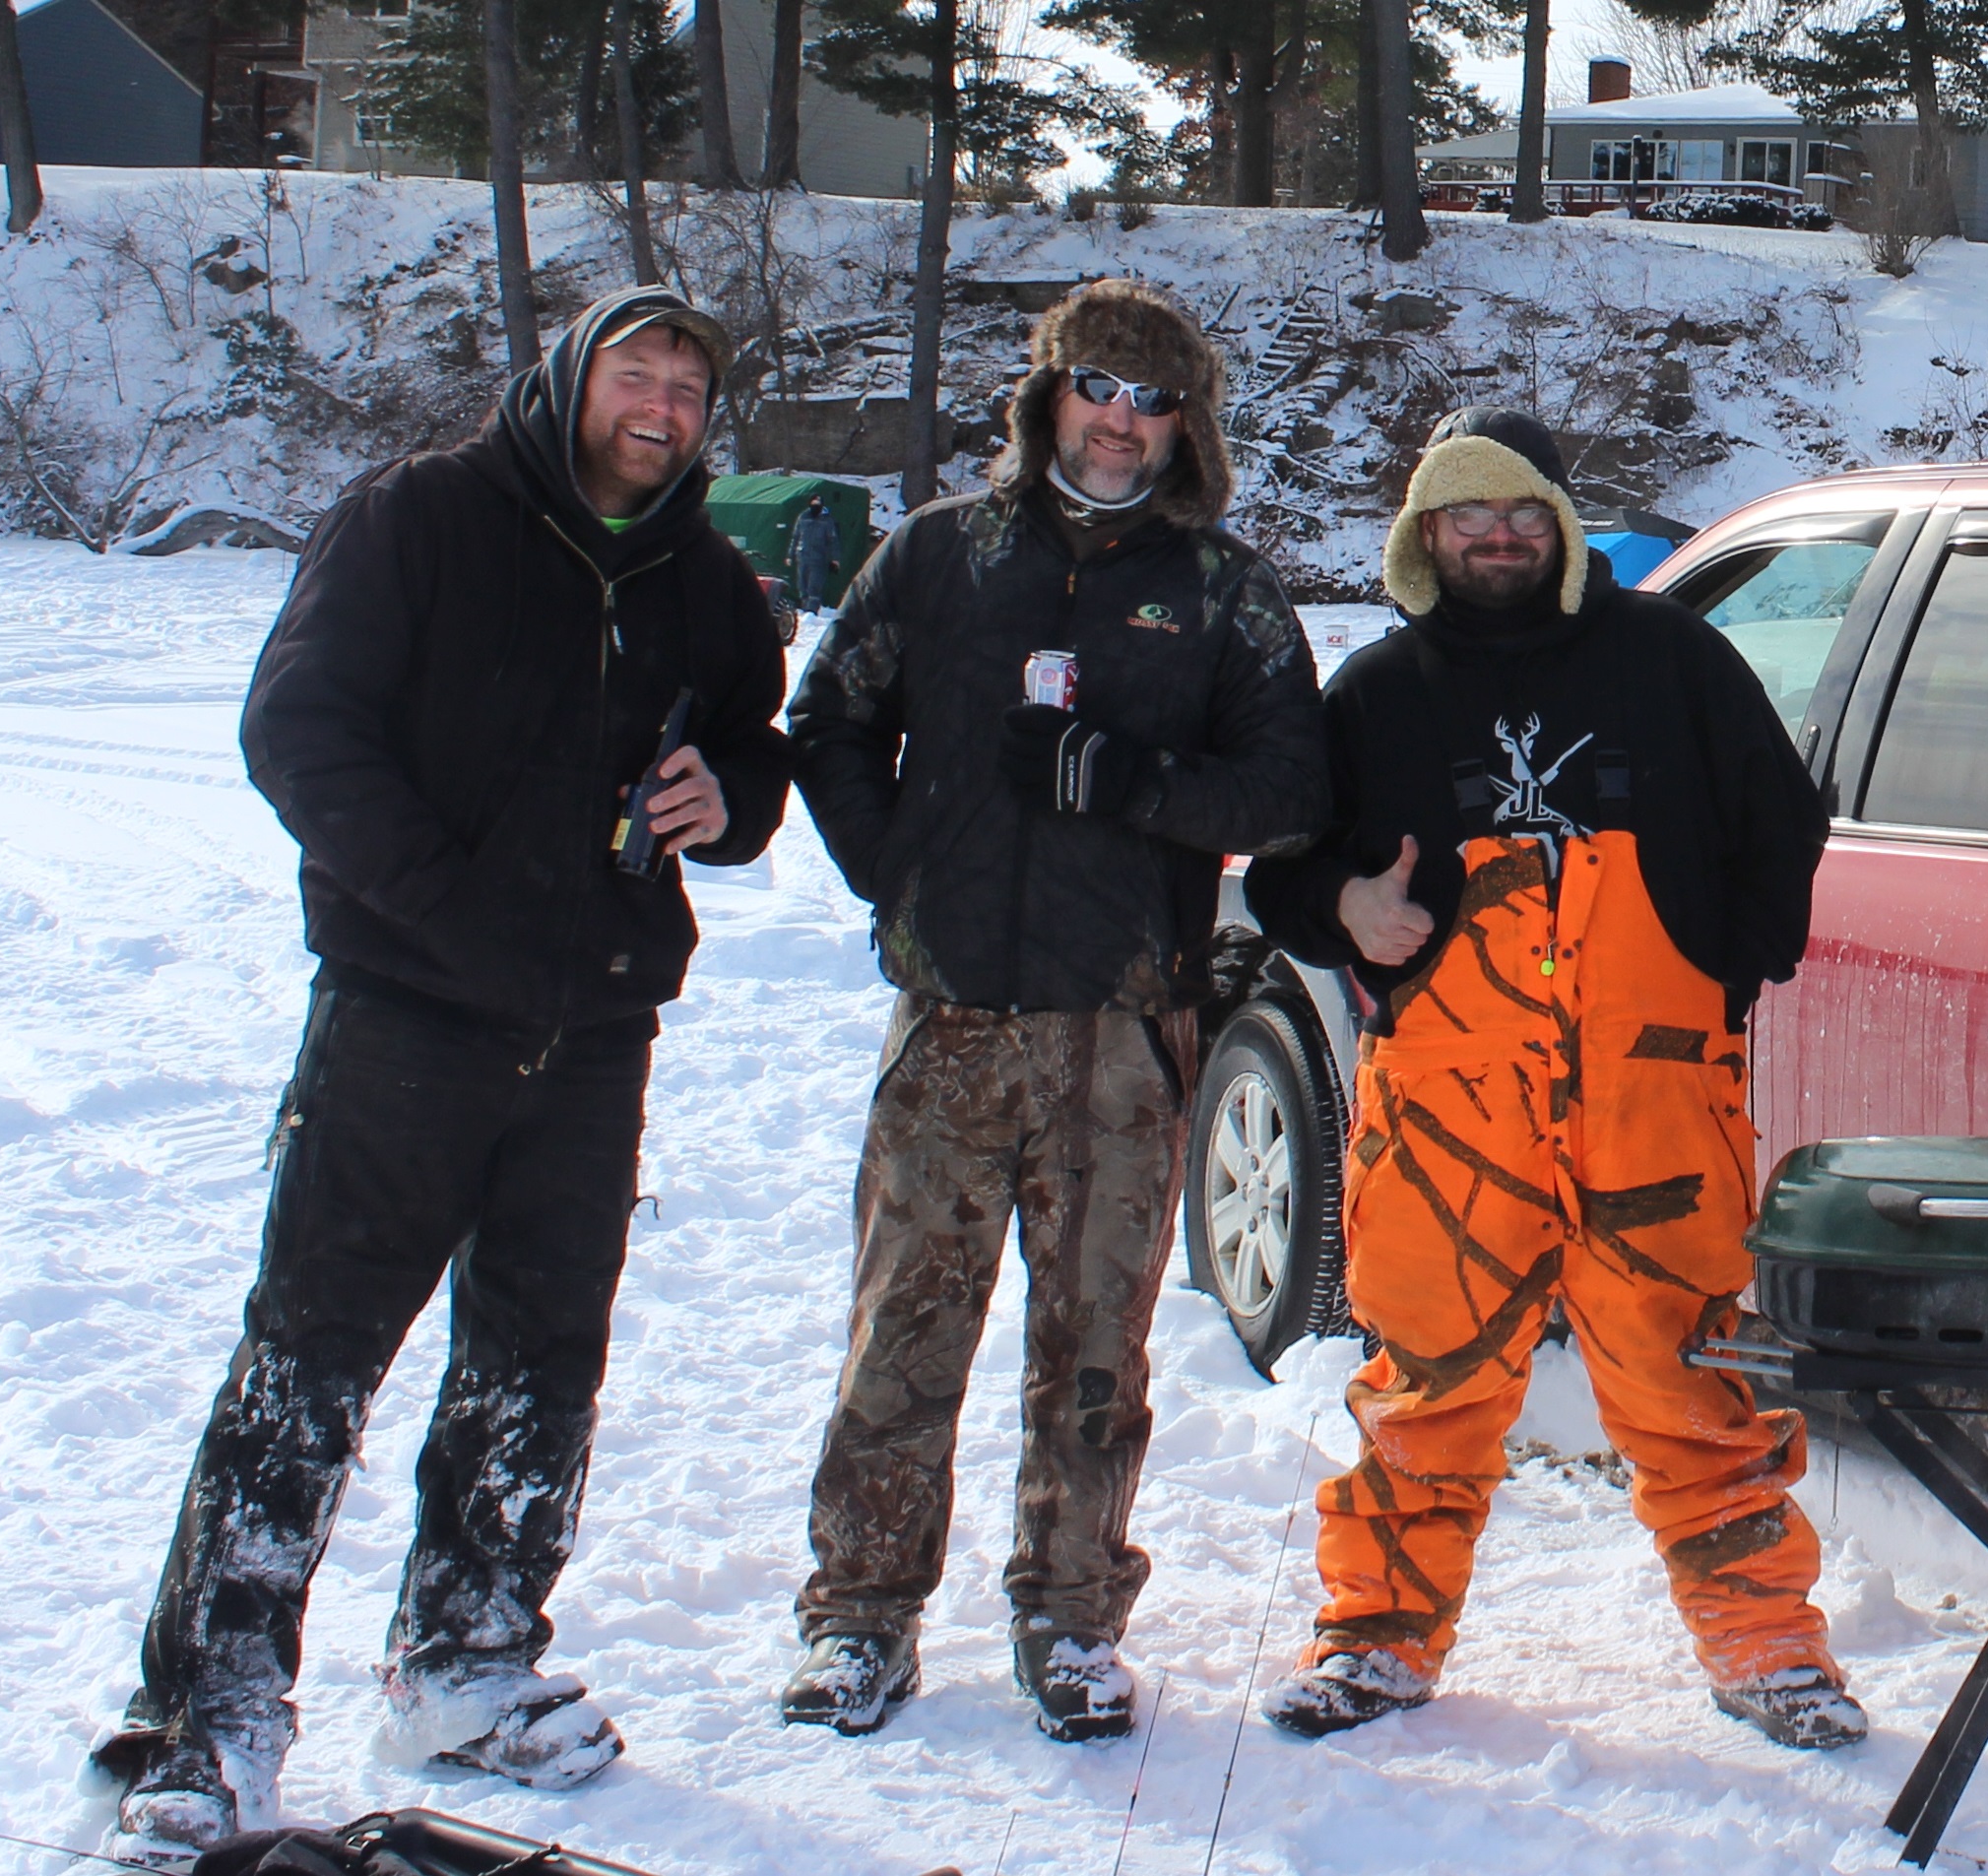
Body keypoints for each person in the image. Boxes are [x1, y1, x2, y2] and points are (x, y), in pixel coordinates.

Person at [95, 286, 796, 1864]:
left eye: (689, 385)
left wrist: (725, 795)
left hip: (598, 1020)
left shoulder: (701, 577)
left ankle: (467, 1656)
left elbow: (757, 749)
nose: (664, 405)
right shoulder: (422, 516)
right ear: (568, 379)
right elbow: (300, 729)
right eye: (638, 371)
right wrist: (442, 901)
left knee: (543, 1350)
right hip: (410, 1008)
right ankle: (211, 1713)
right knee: (311, 1358)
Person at [1235, 410, 1848, 1749]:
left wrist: (1716, 977)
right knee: (1425, 1385)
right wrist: (1349, 907)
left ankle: (1769, 1647)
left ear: (1563, 530)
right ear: (1426, 535)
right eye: (1468, 515)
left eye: (1523, 513)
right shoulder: (1377, 693)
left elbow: (1782, 827)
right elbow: (1278, 869)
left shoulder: (1675, 660)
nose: (1498, 536)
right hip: (1453, 1111)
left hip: (1654, 1100)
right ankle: (1376, 1638)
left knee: (1689, 1384)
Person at [774, 279, 1330, 1743]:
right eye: (1099, 387)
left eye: (1154, 400)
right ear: (1049, 394)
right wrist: (892, 868)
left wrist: (1136, 787)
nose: (1121, 420)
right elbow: (828, 714)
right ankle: (858, 1614)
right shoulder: (941, 557)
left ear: (1184, 424)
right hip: (950, 1019)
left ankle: (1073, 1618)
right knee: (905, 1329)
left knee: (1095, 1348)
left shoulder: (1225, 592)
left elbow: (1290, 791)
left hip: (1121, 1028)